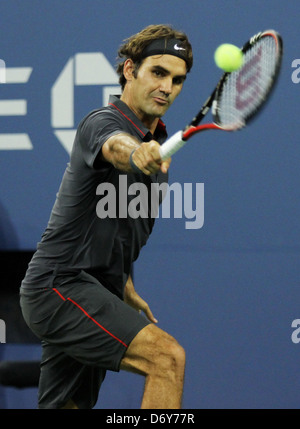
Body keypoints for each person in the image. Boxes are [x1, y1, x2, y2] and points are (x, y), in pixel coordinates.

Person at [20, 24, 193, 409]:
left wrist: (124, 285)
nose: (167, 87)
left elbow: (116, 228)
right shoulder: (103, 122)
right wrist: (137, 154)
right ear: (130, 70)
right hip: (60, 287)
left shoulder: (157, 152)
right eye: (158, 73)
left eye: (177, 80)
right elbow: (117, 147)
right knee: (166, 359)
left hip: (96, 291)